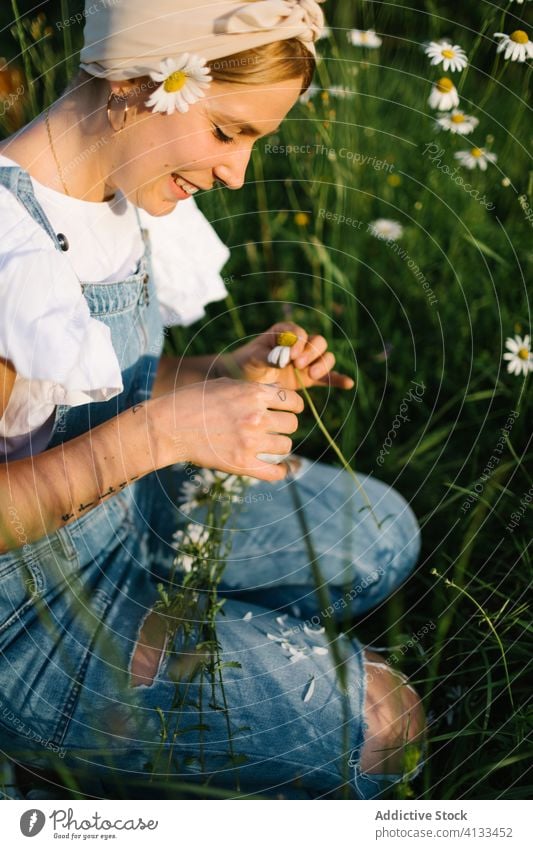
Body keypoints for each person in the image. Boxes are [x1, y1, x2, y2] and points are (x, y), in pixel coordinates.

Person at [0, 0, 426, 799]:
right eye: (229, 133)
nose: (236, 172)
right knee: (377, 728)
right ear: (136, 81)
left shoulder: (117, 192)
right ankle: (53, 764)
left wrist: (216, 376)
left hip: (120, 523)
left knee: (377, 532)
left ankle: (204, 655)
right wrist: (161, 434)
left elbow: (79, 385)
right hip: (32, 628)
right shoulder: (7, 250)